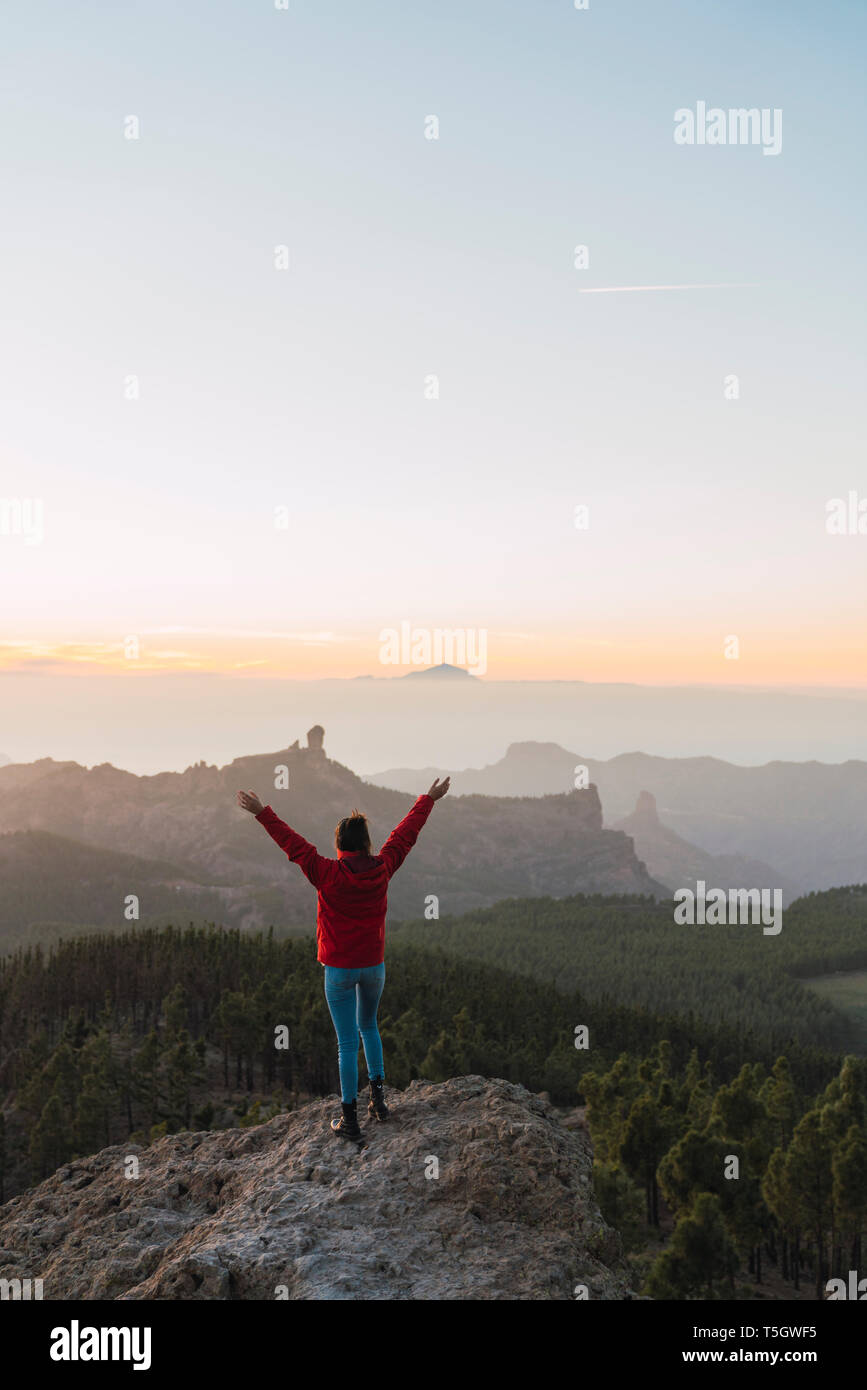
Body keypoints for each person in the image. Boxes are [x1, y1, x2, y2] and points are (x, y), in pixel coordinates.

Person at [237, 777, 450, 1140]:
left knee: (346, 1041)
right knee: (369, 1026)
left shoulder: (327, 873)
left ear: (338, 847)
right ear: (367, 844)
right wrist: (428, 799)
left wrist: (262, 812)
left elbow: (293, 844)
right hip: (374, 967)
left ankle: (349, 1120)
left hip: (338, 970)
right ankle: (379, 1103)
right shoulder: (382, 868)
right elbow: (405, 835)